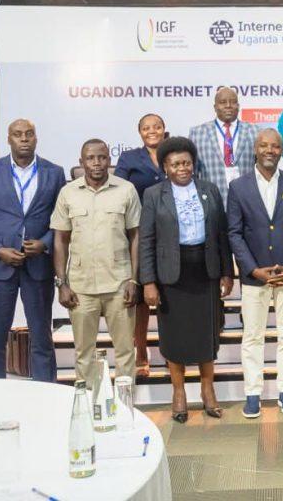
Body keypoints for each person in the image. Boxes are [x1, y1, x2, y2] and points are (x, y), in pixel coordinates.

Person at [139, 137, 233, 422]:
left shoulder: (209, 190)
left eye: (187, 163)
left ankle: (208, 390)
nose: (183, 168)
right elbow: (146, 240)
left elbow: (221, 235)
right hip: (171, 276)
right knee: (174, 336)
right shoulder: (154, 194)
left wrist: (227, 272)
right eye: (176, 164)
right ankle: (178, 392)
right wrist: (149, 281)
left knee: (207, 334)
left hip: (205, 272)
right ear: (165, 167)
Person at [0, 118, 66, 382]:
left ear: (36, 138)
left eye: (29, 134)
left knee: (41, 336)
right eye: (18, 134)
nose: (24, 138)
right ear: (9, 139)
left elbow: (62, 220)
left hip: (38, 267)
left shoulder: (54, 172)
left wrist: (45, 243)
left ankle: (46, 393)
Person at [228, 129, 283, 418]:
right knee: (252, 337)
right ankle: (252, 394)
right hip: (255, 277)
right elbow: (235, 234)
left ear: (281, 150)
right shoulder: (238, 187)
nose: (270, 150)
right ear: (255, 149)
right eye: (264, 145)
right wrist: (253, 269)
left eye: (275, 146)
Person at [50, 139, 141, 384]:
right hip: (81, 287)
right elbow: (60, 239)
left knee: (124, 351)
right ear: (81, 163)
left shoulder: (126, 190)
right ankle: (89, 408)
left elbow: (136, 236)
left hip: (119, 284)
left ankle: (124, 409)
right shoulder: (68, 193)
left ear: (109, 161)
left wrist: (134, 279)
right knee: (84, 353)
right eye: (90, 158)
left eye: (102, 157)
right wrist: (62, 283)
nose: (97, 163)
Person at [115, 113, 167, 378]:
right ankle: (142, 352)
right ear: (140, 132)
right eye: (146, 128)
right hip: (139, 231)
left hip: (170, 231)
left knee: (169, 294)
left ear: (164, 129)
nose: (152, 131)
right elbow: (120, 189)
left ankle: (171, 351)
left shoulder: (174, 151)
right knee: (141, 299)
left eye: (156, 126)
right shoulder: (129, 158)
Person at [190, 87, 258, 203]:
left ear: (238, 106)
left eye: (233, 102)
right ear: (215, 107)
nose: (228, 105)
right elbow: (193, 174)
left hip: (248, 202)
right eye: (222, 102)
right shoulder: (197, 133)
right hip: (211, 202)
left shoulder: (255, 131)